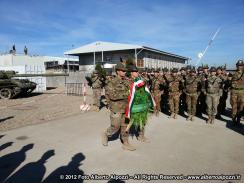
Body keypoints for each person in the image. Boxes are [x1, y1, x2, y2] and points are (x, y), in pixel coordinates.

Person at [101, 62, 136, 151]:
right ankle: (106, 134)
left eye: (125, 71)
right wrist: (127, 94)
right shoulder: (112, 82)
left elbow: (132, 90)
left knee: (125, 125)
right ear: (117, 71)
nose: (124, 72)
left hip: (126, 108)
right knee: (115, 126)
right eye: (123, 71)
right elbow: (112, 95)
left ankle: (125, 142)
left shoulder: (127, 81)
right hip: (116, 107)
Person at [125, 64, 155, 143]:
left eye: (137, 71)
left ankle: (141, 136)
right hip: (132, 104)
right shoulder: (128, 81)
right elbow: (128, 93)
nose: (137, 72)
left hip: (141, 104)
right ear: (131, 73)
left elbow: (145, 89)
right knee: (128, 122)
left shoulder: (140, 80)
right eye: (135, 71)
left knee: (142, 121)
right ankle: (125, 138)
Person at [230, 60, 244, 126]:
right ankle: (233, 120)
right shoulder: (233, 74)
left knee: (241, 107)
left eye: (241, 65)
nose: (240, 67)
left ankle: (238, 120)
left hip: (242, 92)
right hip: (234, 92)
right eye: (238, 65)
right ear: (236, 66)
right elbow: (230, 82)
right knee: (234, 107)